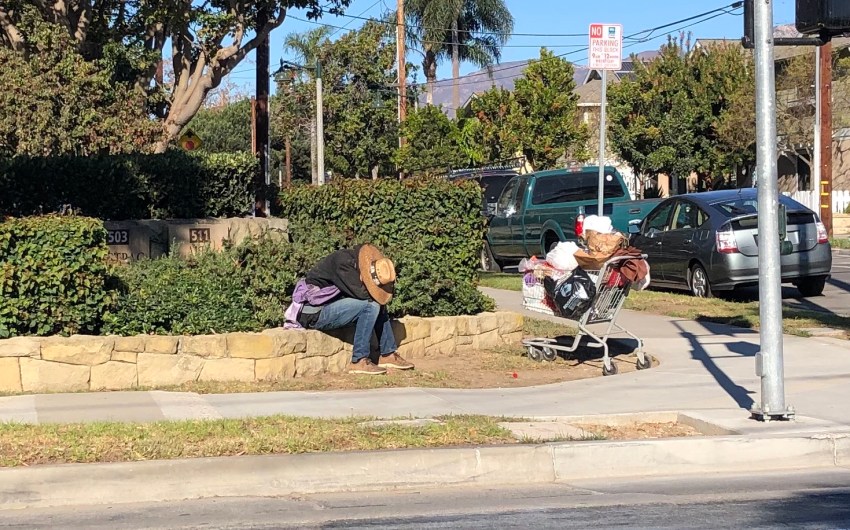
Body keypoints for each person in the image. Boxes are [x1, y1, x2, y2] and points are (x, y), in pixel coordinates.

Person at [284, 244, 414, 375]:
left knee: (378, 303)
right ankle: (358, 361)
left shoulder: (354, 262)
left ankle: (388, 354)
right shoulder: (344, 264)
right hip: (314, 312)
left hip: (328, 306)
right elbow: (362, 295)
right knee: (371, 305)